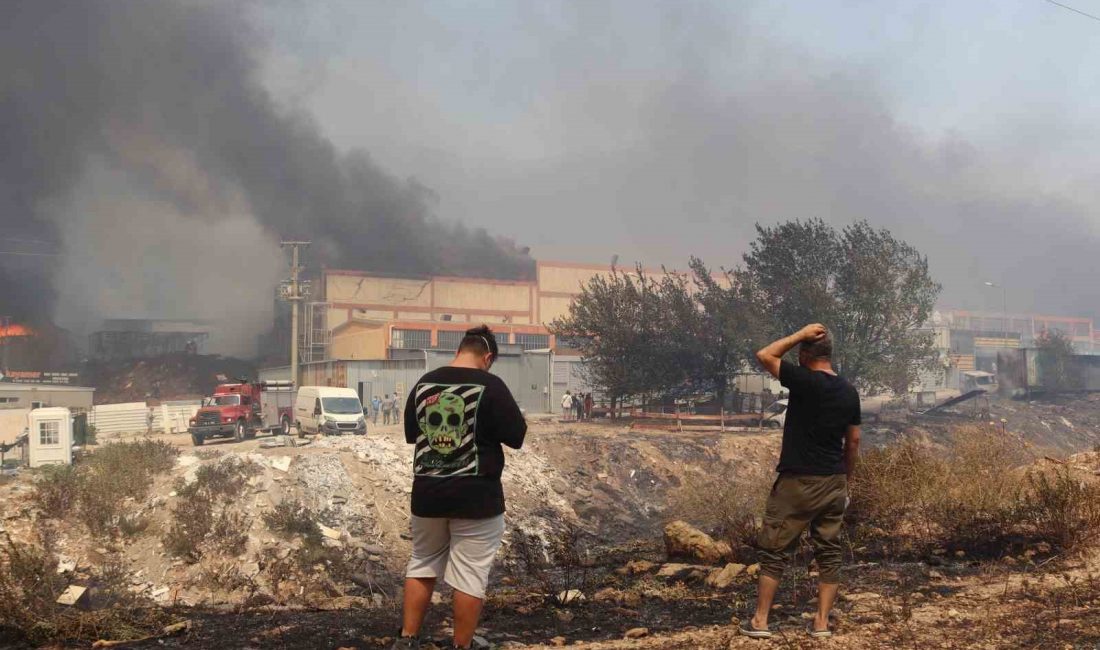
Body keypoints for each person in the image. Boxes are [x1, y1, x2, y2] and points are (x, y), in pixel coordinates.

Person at [391, 325, 527, 650]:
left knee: (422, 560)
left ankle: (407, 639)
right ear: (488, 357)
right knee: (470, 572)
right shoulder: (492, 386)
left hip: (427, 494)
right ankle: (461, 645)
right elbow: (517, 436)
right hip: (476, 498)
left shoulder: (425, 384)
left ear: (459, 350)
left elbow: (414, 434)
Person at [742, 324, 861, 640]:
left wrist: (798, 334)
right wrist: (844, 481)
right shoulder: (850, 392)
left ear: (805, 354)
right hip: (834, 481)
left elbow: (764, 354)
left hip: (798, 482)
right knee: (829, 552)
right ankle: (821, 624)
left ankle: (760, 621)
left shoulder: (803, 380)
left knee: (774, 550)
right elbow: (854, 442)